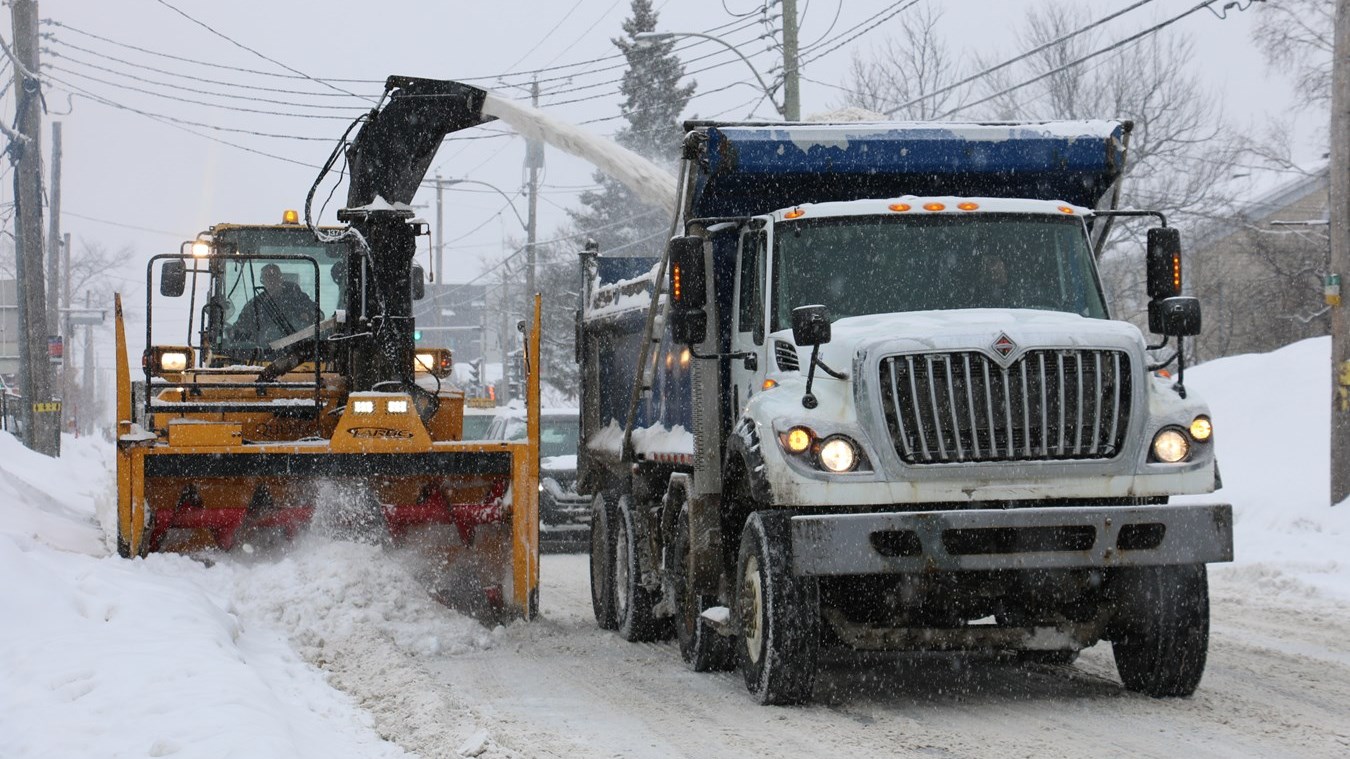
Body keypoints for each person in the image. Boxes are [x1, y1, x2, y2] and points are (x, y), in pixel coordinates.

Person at [230, 263, 319, 347]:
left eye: (274, 276)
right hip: (263, 355)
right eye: (267, 277)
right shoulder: (254, 305)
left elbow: (318, 315)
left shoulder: (297, 298)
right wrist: (233, 333)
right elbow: (239, 329)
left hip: (299, 352)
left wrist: (308, 316)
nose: (271, 280)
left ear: (281, 278)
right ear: (262, 281)